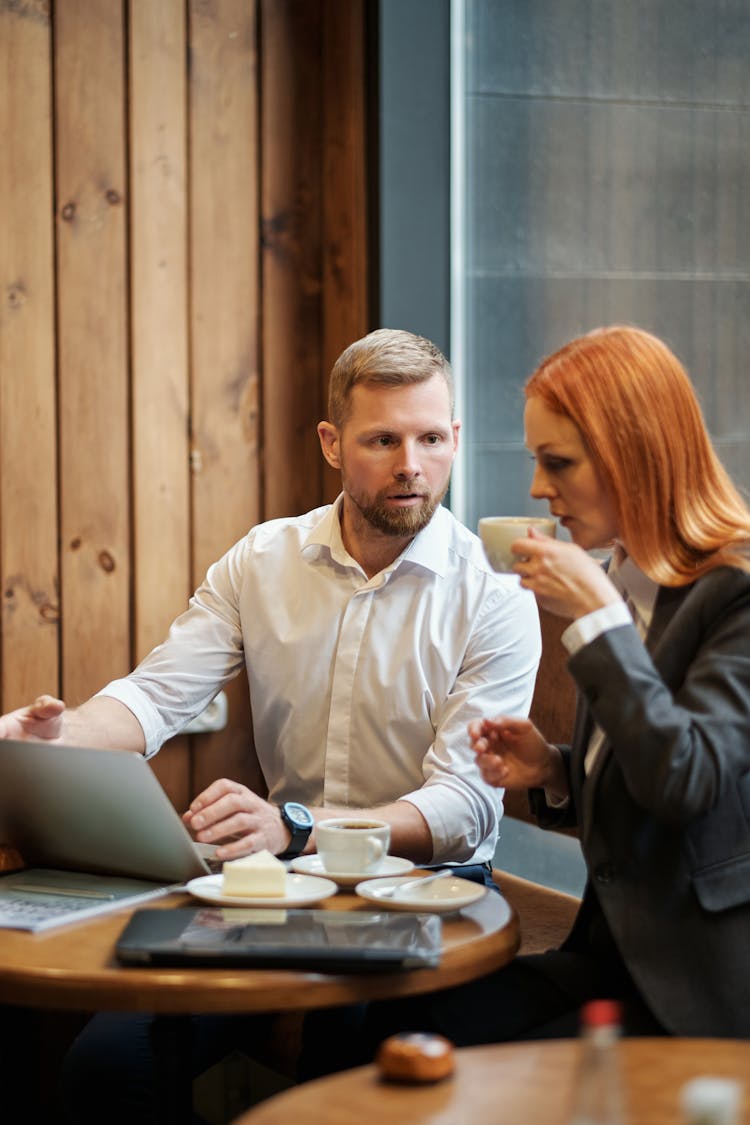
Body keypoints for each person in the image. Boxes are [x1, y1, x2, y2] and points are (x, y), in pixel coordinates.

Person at [0, 328, 540, 1121]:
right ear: (331, 442)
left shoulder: (494, 595)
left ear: (455, 437)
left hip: (433, 894)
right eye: (382, 439)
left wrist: (296, 825)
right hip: (276, 889)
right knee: (106, 1065)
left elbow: (462, 809)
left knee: (345, 1068)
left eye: (430, 438)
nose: (410, 465)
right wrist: (51, 740)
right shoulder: (262, 559)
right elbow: (155, 697)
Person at [354, 323, 750, 1058]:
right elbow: (647, 759)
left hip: (697, 987)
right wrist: (558, 771)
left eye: (558, 462)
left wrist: (597, 621)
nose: (539, 488)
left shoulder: (733, 594)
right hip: (608, 959)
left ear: (636, 456)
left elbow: (689, 782)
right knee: (386, 1027)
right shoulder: (630, 581)